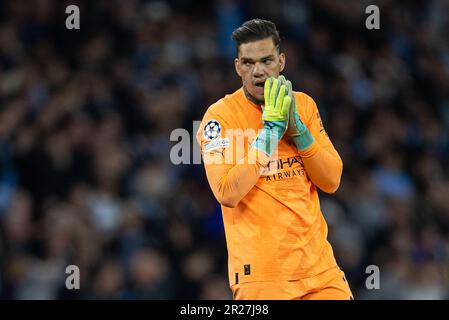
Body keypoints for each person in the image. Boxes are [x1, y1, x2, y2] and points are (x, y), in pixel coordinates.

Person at [196, 18, 353, 300]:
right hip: (263, 278)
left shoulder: (303, 105)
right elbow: (226, 192)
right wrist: (270, 133)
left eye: (266, 60)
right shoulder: (220, 118)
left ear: (281, 62)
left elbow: (331, 181)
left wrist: (299, 133)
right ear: (237, 67)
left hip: (321, 273)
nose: (258, 71)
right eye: (248, 63)